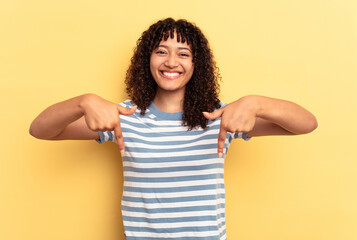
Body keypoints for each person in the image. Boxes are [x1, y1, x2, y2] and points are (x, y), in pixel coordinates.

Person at [29, 18, 317, 240]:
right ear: (148, 60)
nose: (171, 62)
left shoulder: (221, 117)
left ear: (196, 64)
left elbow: (305, 124)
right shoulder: (123, 117)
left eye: (183, 54)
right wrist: (82, 102)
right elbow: (40, 129)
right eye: (161, 51)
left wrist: (257, 103)